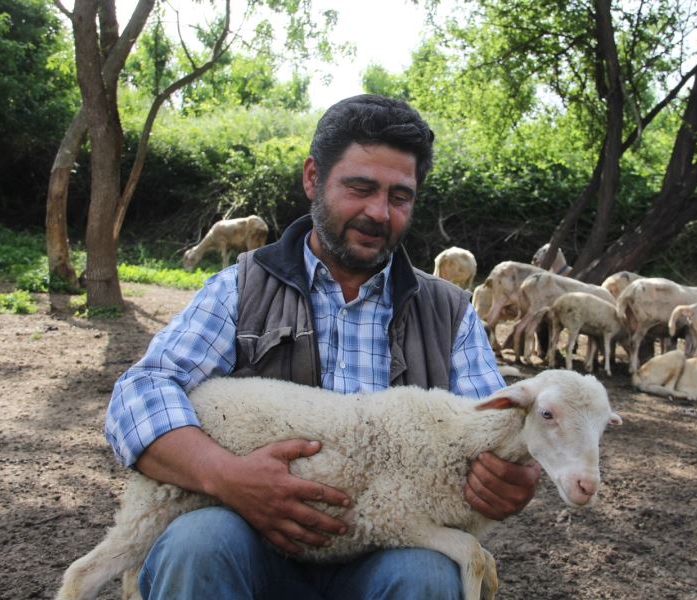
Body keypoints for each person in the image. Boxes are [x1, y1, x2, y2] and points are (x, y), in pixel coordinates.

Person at [106, 94, 541, 599]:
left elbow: (504, 430)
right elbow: (141, 391)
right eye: (360, 188)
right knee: (199, 541)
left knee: (427, 577)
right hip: (248, 540)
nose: (379, 212)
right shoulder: (241, 287)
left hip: (387, 553)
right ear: (313, 178)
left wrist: (514, 477)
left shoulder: (450, 314)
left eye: (400, 197)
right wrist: (227, 476)